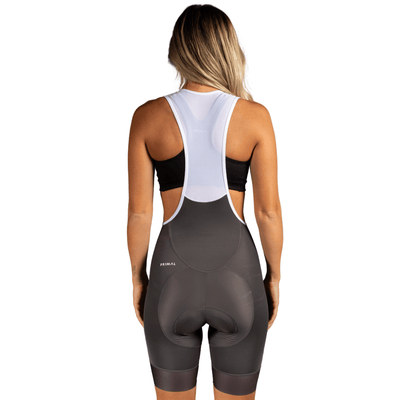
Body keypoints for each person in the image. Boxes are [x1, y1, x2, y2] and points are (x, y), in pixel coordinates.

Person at [127, 4, 283, 400]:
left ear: (177, 49)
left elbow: (140, 212)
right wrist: (274, 276)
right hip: (240, 279)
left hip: (170, 279)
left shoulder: (147, 117)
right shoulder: (255, 117)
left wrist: (138, 277)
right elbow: (267, 213)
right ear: (229, 48)